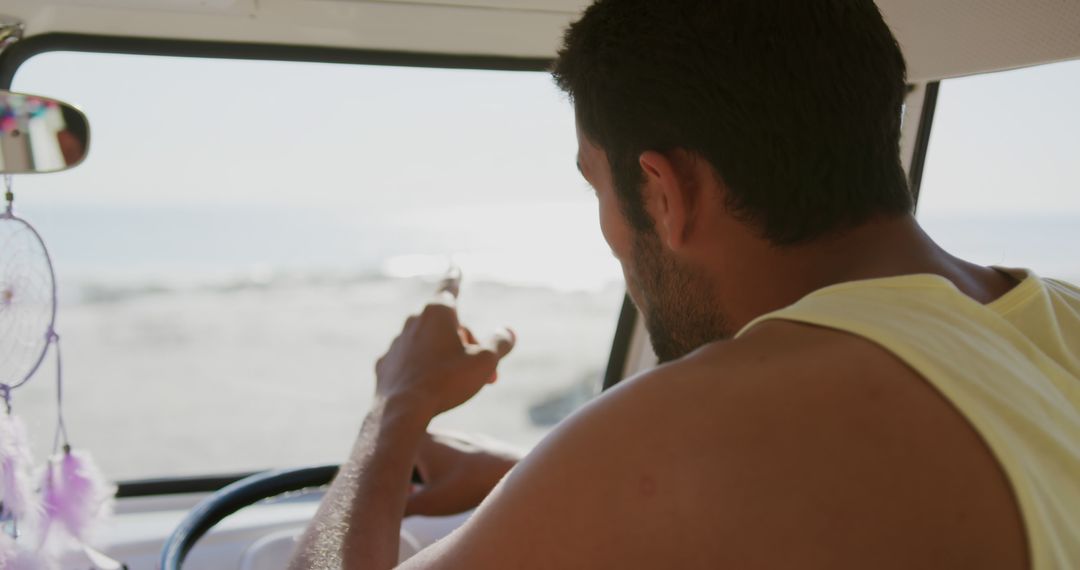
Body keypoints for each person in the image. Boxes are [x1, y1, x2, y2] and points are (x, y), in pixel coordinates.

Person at [289, 0, 1080, 568]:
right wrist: (525, 477)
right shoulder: (1063, 319)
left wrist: (395, 409)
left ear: (665, 193)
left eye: (594, 185)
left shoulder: (705, 420)